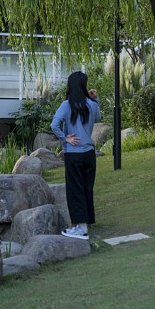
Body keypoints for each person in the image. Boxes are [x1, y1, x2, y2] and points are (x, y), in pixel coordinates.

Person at [50, 70, 101, 240]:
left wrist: (65, 138)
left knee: (75, 190)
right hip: (89, 154)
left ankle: (81, 228)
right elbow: (98, 118)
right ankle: (87, 223)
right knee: (87, 188)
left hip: (73, 154)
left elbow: (54, 125)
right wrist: (95, 99)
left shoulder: (67, 105)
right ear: (84, 86)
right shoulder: (92, 105)